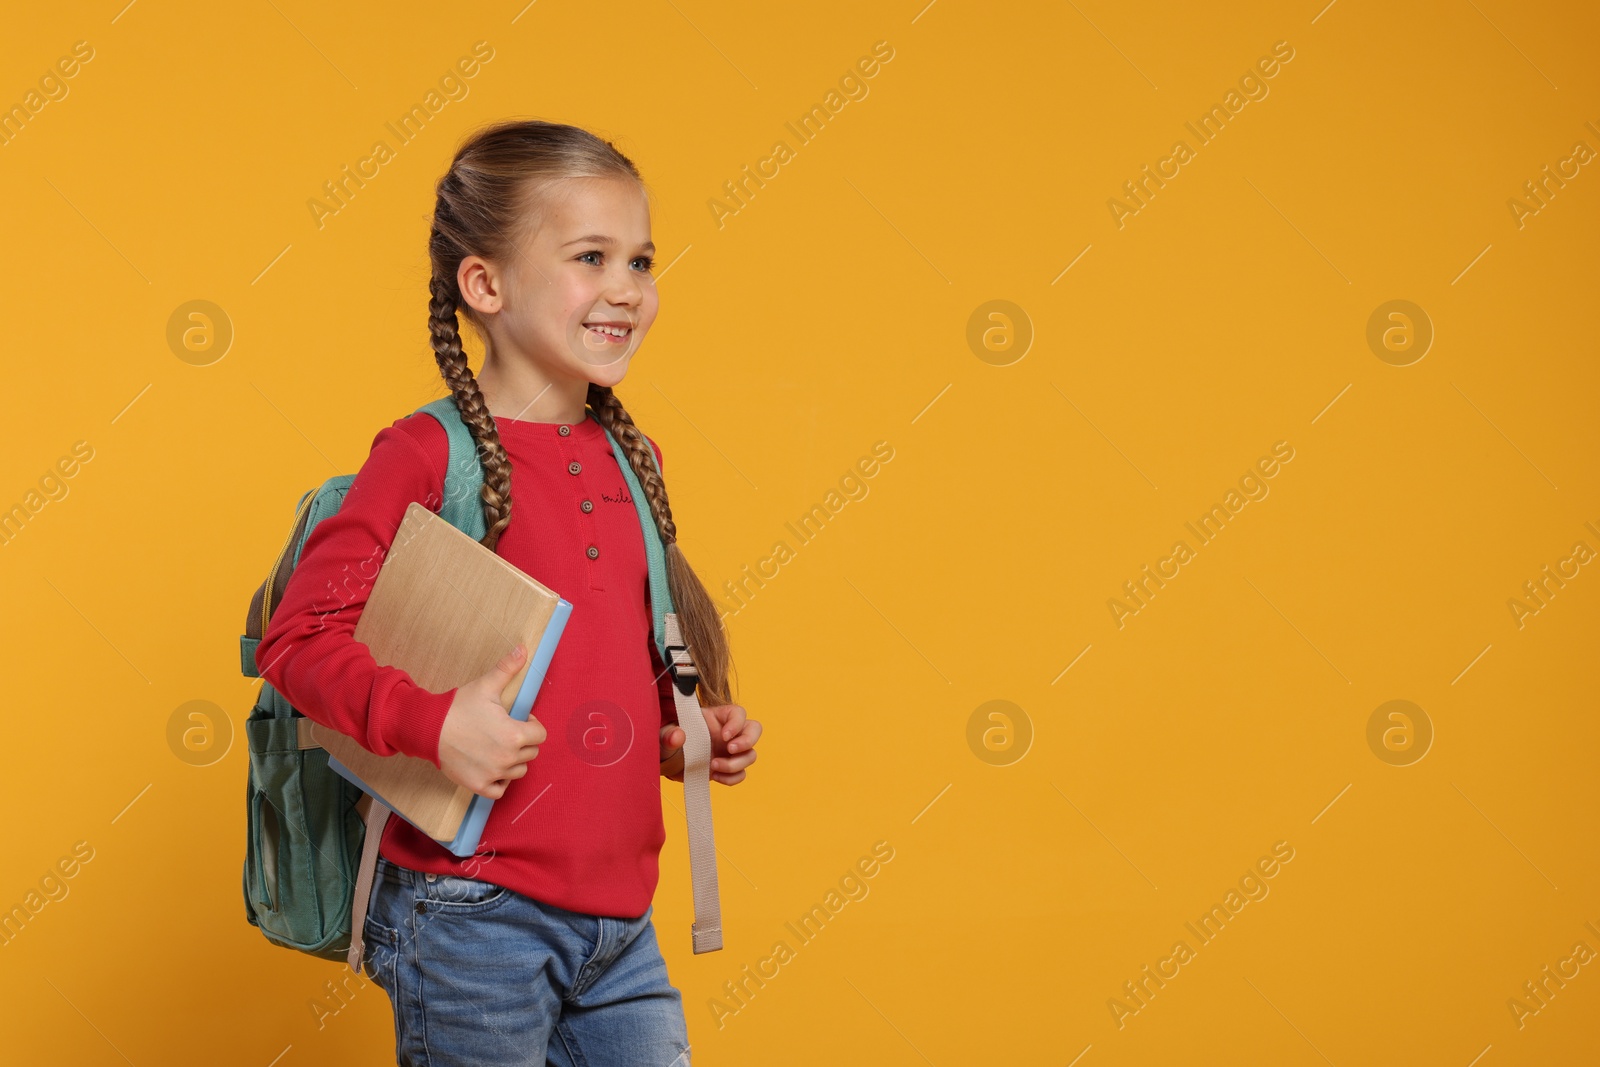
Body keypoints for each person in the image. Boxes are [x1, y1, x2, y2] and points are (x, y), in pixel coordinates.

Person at [254, 118, 761, 1066]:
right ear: (484, 285)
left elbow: (607, 653)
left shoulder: (635, 457)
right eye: (590, 256)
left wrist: (683, 725)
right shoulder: (423, 452)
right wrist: (433, 721)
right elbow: (301, 639)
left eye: (641, 260)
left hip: (620, 922)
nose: (627, 288)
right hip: (469, 912)